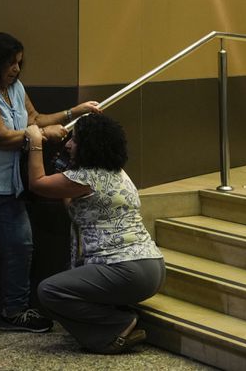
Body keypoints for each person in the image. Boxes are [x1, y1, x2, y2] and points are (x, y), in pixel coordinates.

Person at [0, 31, 100, 341]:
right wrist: (39, 136)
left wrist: (74, 112)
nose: (16, 69)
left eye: (19, 63)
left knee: (20, 245)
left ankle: (14, 311)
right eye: (10, 63)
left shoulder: (13, 87)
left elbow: (35, 119)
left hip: (7, 185)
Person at [24, 114, 165, 354]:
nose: (68, 145)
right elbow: (76, 207)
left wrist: (35, 139)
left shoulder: (86, 178)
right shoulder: (117, 173)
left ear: (90, 146)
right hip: (152, 267)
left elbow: (37, 183)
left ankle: (117, 325)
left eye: (75, 141)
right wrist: (66, 175)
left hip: (124, 269)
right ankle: (111, 330)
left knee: (49, 290)